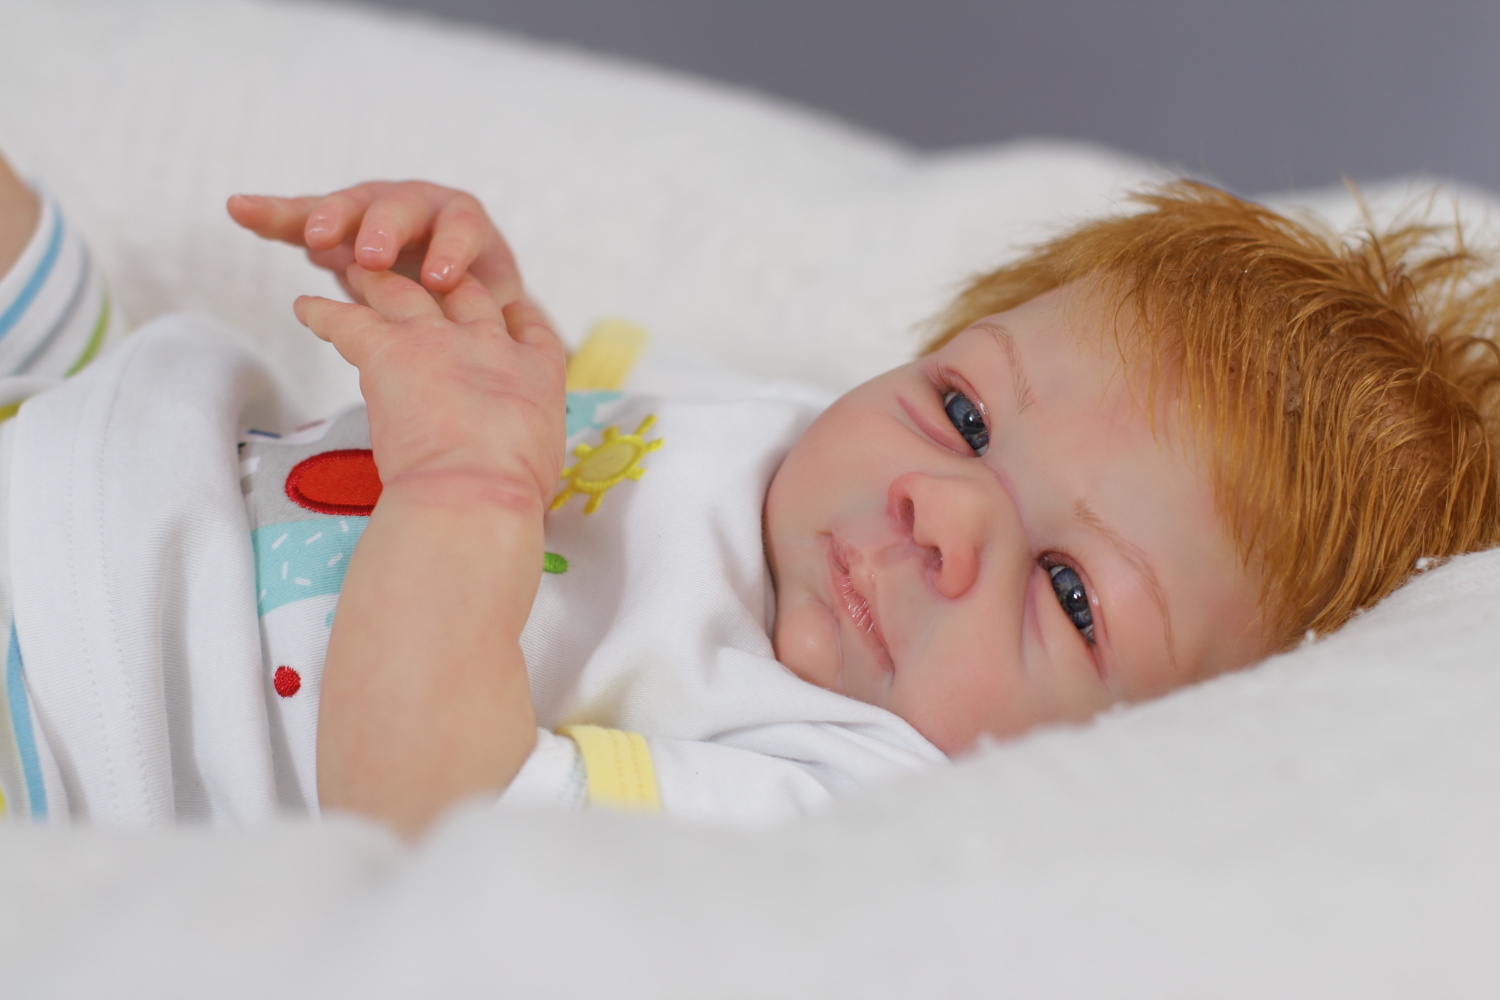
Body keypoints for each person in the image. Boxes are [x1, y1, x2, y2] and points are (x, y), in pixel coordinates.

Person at [0, 153, 1495, 836]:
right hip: (122, 428)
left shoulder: (831, 790)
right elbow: (560, 405)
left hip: (73, 715)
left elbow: (430, 825)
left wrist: (464, 485)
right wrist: (471, 306)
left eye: (1070, 591)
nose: (944, 508)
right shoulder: (781, 433)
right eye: (967, 413)